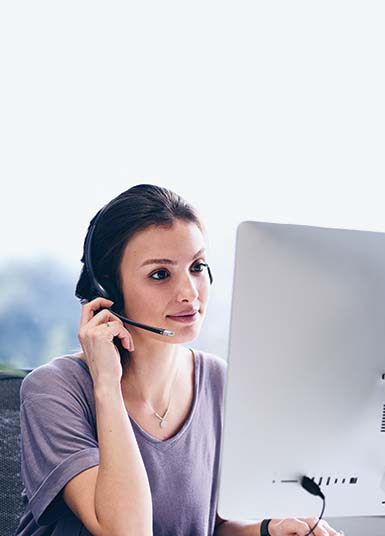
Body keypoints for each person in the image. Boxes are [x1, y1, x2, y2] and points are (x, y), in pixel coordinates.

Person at [15, 184, 342, 536]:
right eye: (160, 274)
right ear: (108, 290)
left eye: (197, 267)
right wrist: (107, 386)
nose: (189, 292)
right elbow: (126, 531)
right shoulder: (53, 390)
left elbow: (209, 526)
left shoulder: (218, 380)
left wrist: (269, 530)